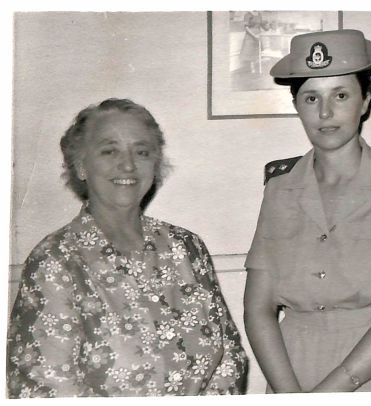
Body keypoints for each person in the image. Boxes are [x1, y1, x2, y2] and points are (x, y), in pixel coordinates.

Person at [7, 98, 247, 397]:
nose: (128, 164)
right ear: (81, 165)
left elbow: (229, 359)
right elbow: (45, 386)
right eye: (110, 151)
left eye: (142, 151)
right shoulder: (55, 261)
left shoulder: (187, 247)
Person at [243, 29, 371, 393]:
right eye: (311, 97)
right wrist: (289, 394)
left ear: (365, 101)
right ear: (296, 105)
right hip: (292, 369)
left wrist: (327, 395)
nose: (325, 112)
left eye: (342, 95)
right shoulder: (279, 187)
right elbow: (258, 310)